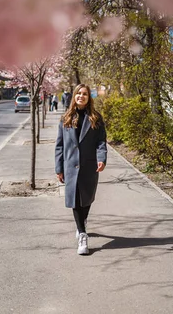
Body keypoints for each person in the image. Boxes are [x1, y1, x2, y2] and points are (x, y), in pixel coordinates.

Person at [55, 84, 107, 255]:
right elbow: (60, 145)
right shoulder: (66, 118)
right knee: (76, 200)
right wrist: (59, 167)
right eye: (79, 93)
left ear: (88, 98)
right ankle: (82, 235)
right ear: (74, 96)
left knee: (87, 198)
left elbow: (101, 142)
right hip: (70, 166)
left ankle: (81, 224)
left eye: (85, 94)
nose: (81, 96)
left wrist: (101, 159)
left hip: (89, 165)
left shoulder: (96, 118)